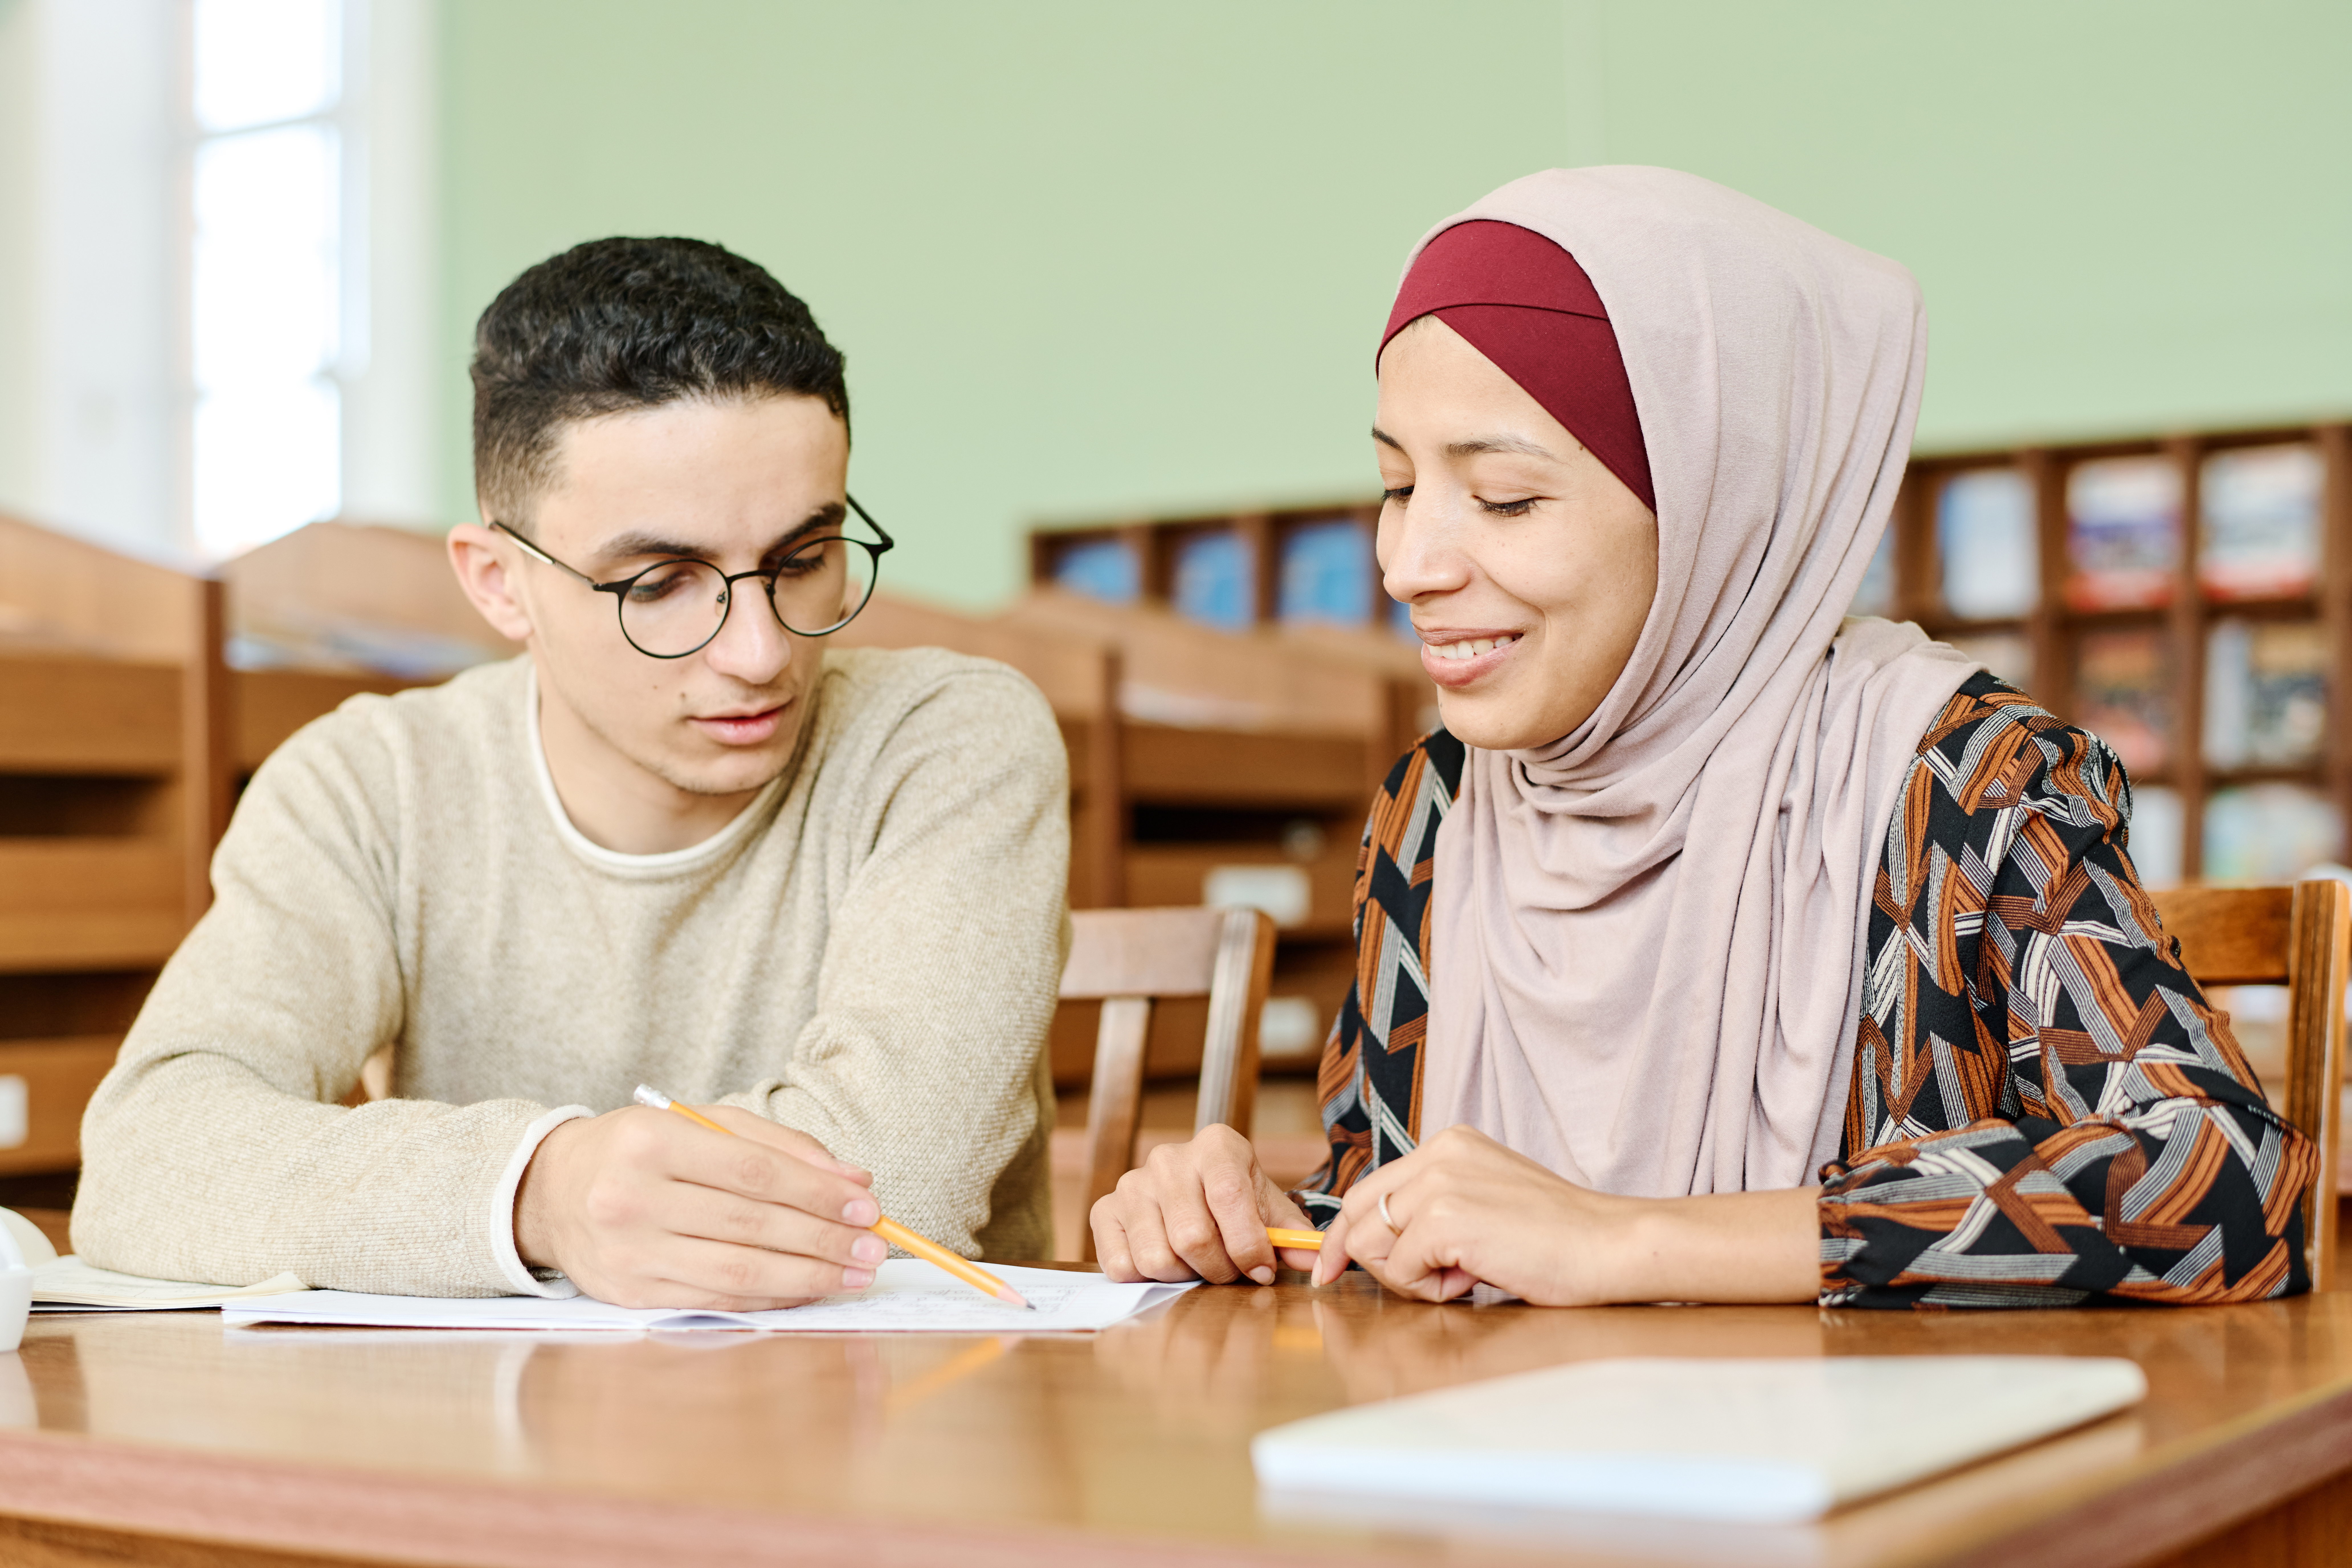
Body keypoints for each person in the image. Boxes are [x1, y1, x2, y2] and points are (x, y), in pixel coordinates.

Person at [1092, 168, 2318, 1310]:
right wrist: (1265, 1223)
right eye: (1398, 483)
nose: (1409, 564)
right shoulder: (1434, 811)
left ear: (1714, 499)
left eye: (1506, 498)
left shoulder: (1966, 781)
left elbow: (2224, 1182)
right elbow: (1415, 1210)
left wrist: (1625, 1239)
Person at [74, 238, 1070, 1307]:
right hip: (501, 1449)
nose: (761, 653)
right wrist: (540, 1193)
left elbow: (889, 1193)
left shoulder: (952, 738)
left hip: (895, 1441)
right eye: (659, 584)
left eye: (800, 560)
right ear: (501, 584)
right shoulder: (369, 784)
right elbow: (147, 1156)